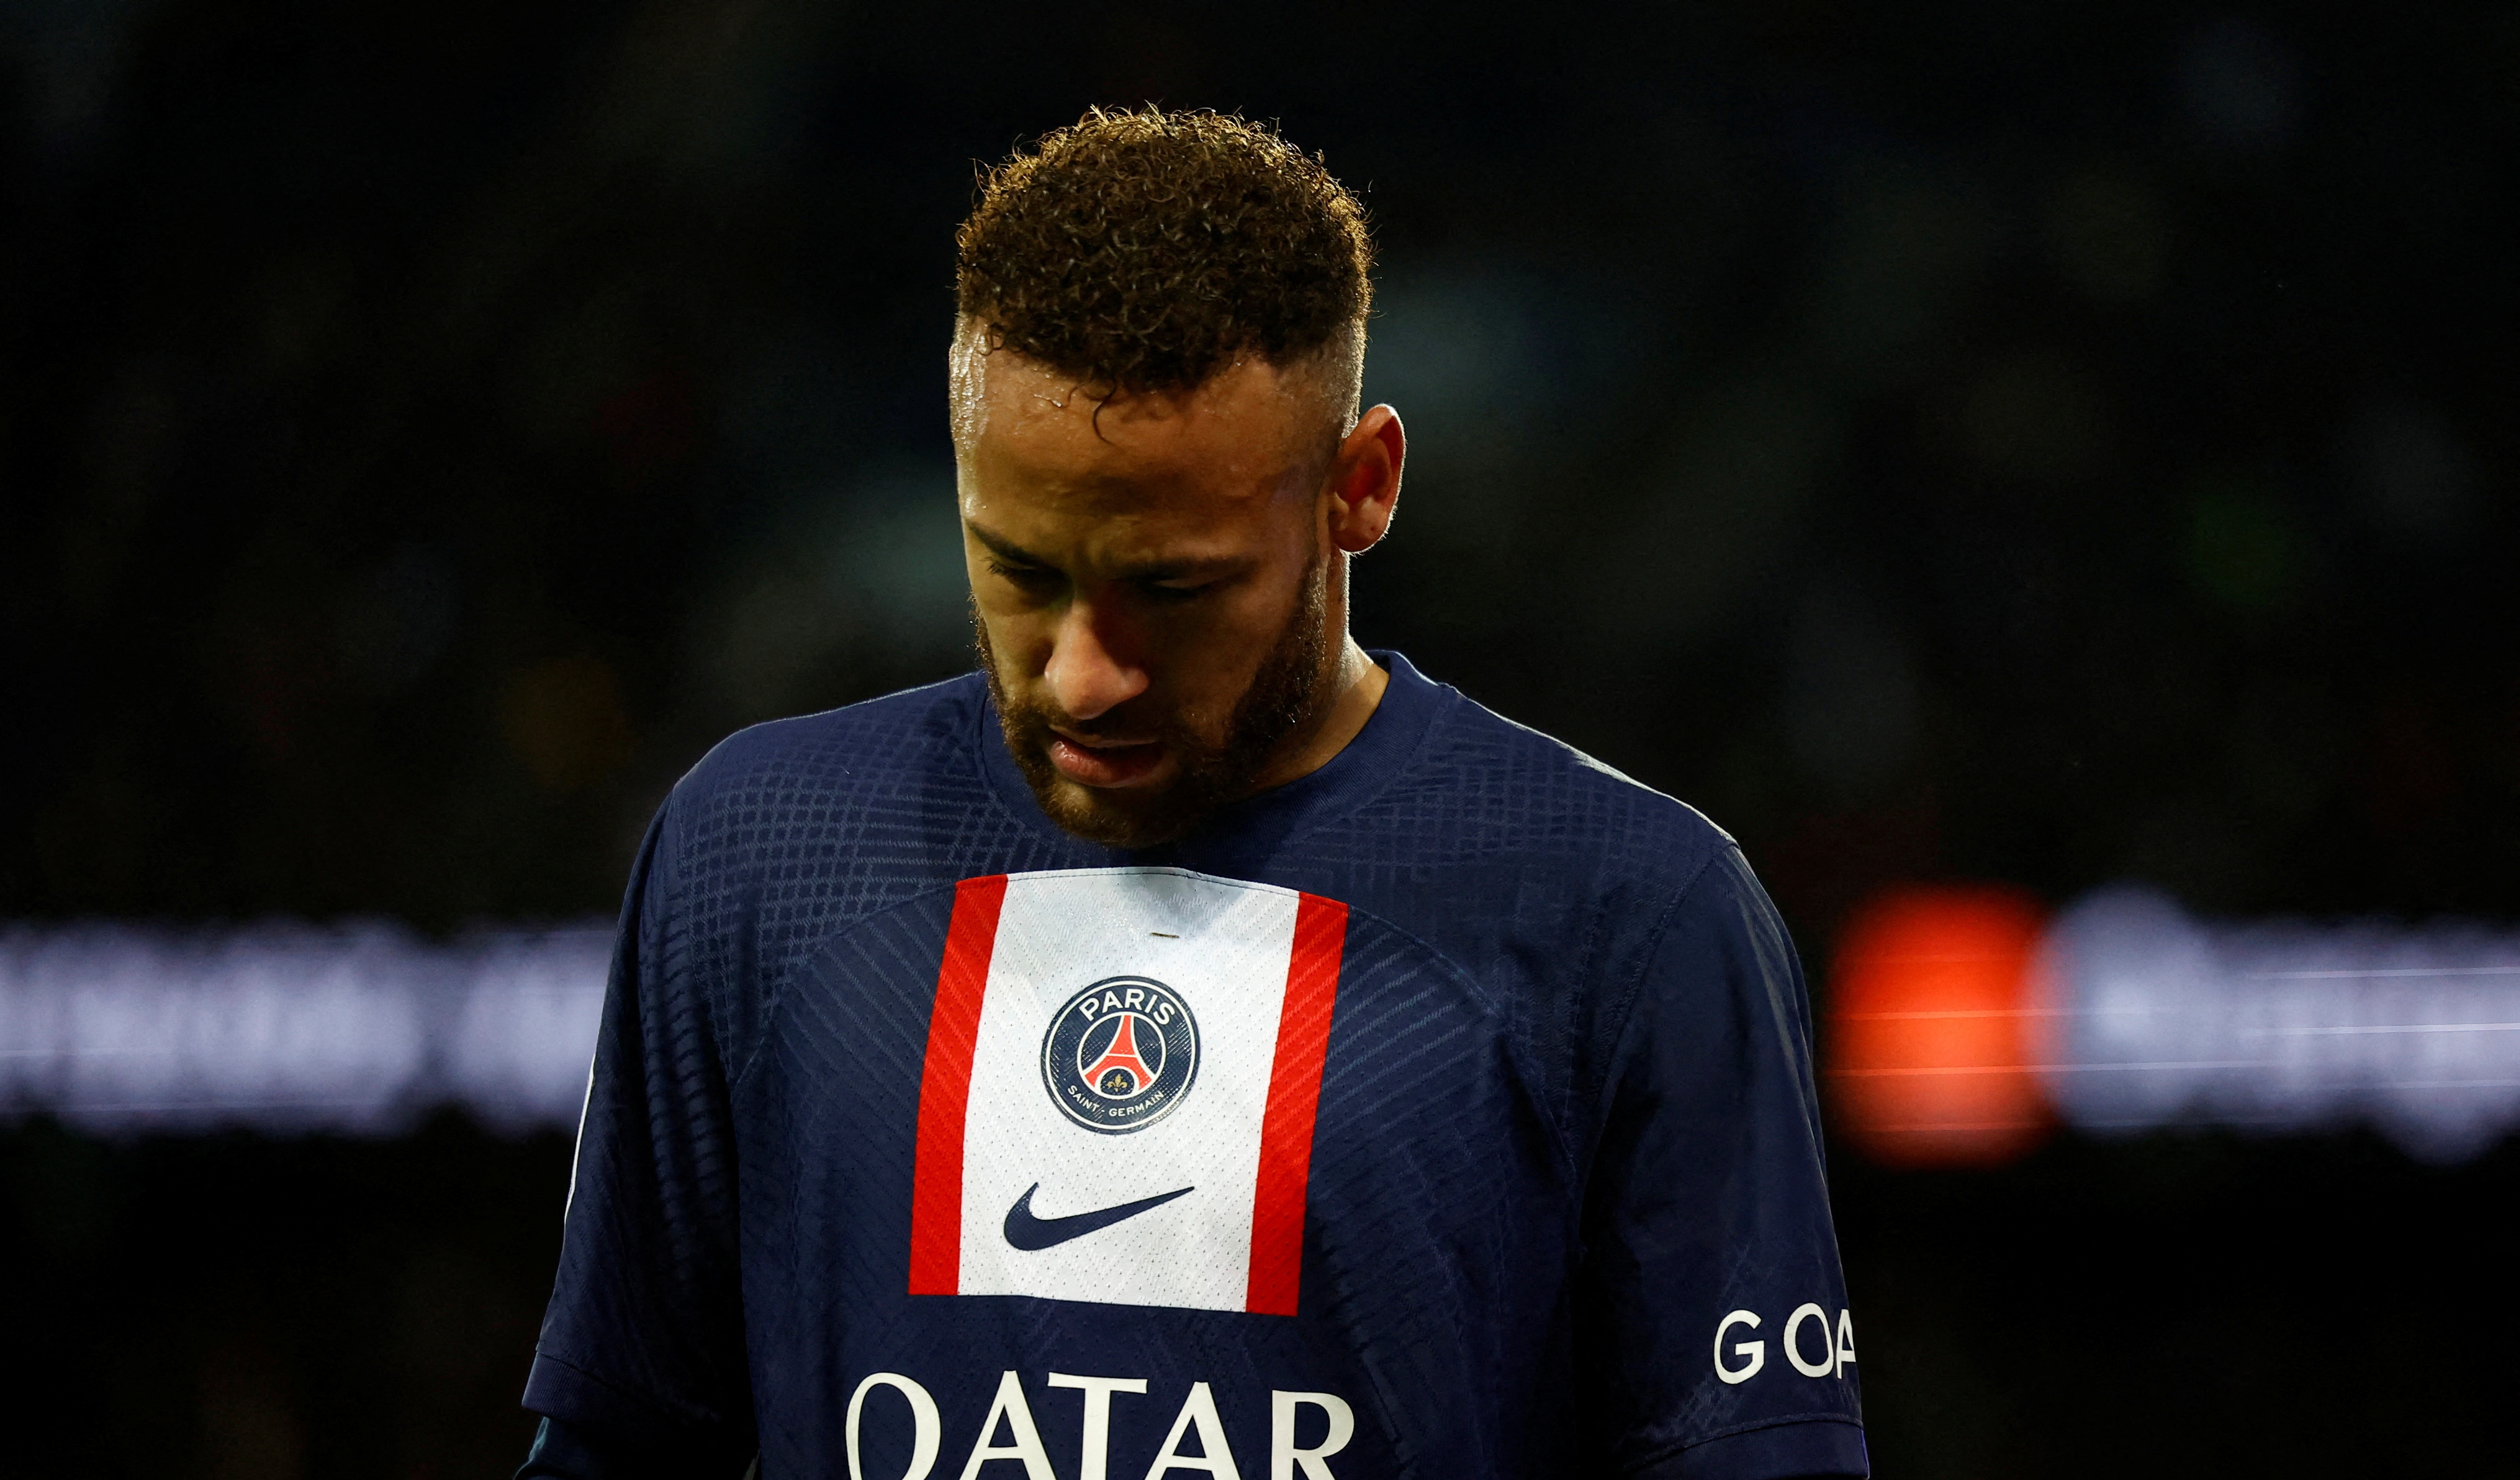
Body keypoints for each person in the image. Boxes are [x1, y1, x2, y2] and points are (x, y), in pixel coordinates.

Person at [516, 106, 1866, 1480]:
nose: (1085, 676)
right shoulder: (762, 851)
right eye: (1019, 571)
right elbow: (618, 1451)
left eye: (1174, 588)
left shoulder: (1628, 911)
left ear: (1361, 488)